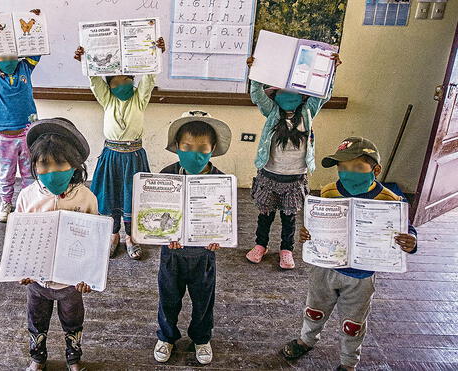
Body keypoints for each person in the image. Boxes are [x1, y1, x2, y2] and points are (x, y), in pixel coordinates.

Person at [281, 137, 418, 371]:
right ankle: (307, 340)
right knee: (314, 310)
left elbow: (406, 230)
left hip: (361, 276)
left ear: (375, 170)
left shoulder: (391, 199)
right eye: (342, 167)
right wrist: (307, 234)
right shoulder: (328, 191)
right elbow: (315, 225)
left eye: (357, 167)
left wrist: (411, 242)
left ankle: (348, 362)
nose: (347, 173)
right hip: (325, 268)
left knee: (353, 323)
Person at [245, 54, 342, 269]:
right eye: (283, 91)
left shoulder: (308, 112)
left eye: (294, 91)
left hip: (295, 178)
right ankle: (261, 244)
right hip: (269, 175)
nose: (289, 95)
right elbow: (257, 95)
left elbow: (324, 95)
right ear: (276, 94)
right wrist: (256, 71)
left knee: (289, 218)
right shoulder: (272, 112)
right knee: (265, 215)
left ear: (302, 96)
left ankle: (286, 249)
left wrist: (331, 70)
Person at [16, 118, 97, 371]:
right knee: (36, 321)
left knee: (73, 322)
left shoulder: (86, 197)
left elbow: (95, 241)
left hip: (71, 284)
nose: (52, 171)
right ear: (34, 165)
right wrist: (21, 270)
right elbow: (19, 239)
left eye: (60, 163)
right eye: (44, 164)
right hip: (37, 282)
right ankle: (37, 358)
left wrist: (89, 277)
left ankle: (74, 359)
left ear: (75, 165)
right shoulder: (27, 197)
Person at [73, 38, 165, 260]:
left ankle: (131, 237)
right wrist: (85, 59)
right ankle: (114, 235)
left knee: (132, 197)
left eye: (126, 80)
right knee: (111, 196)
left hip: (134, 157)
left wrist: (156, 53)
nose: (121, 85)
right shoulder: (107, 100)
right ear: (109, 86)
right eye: (115, 82)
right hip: (112, 156)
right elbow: (95, 81)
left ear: (133, 81)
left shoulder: (139, 100)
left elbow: (149, 78)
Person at [153, 111, 231, 365]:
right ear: (176, 147)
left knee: (203, 301)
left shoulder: (221, 181)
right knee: (168, 298)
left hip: (203, 256)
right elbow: (156, 212)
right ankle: (166, 336)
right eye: (187, 147)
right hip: (172, 254)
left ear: (213, 149)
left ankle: (201, 338)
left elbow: (224, 216)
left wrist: (219, 236)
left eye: (202, 148)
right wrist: (164, 236)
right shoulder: (166, 175)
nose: (194, 153)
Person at [0, 9, 43, 222]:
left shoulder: (25, 69)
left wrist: (35, 22)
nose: (9, 59)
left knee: (29, 173)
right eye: (3, 56)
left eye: (13, 55)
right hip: (4, 136)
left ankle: (28, 203)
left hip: (27, 132)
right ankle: (6, 203)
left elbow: (35, 49)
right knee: (6, 174)